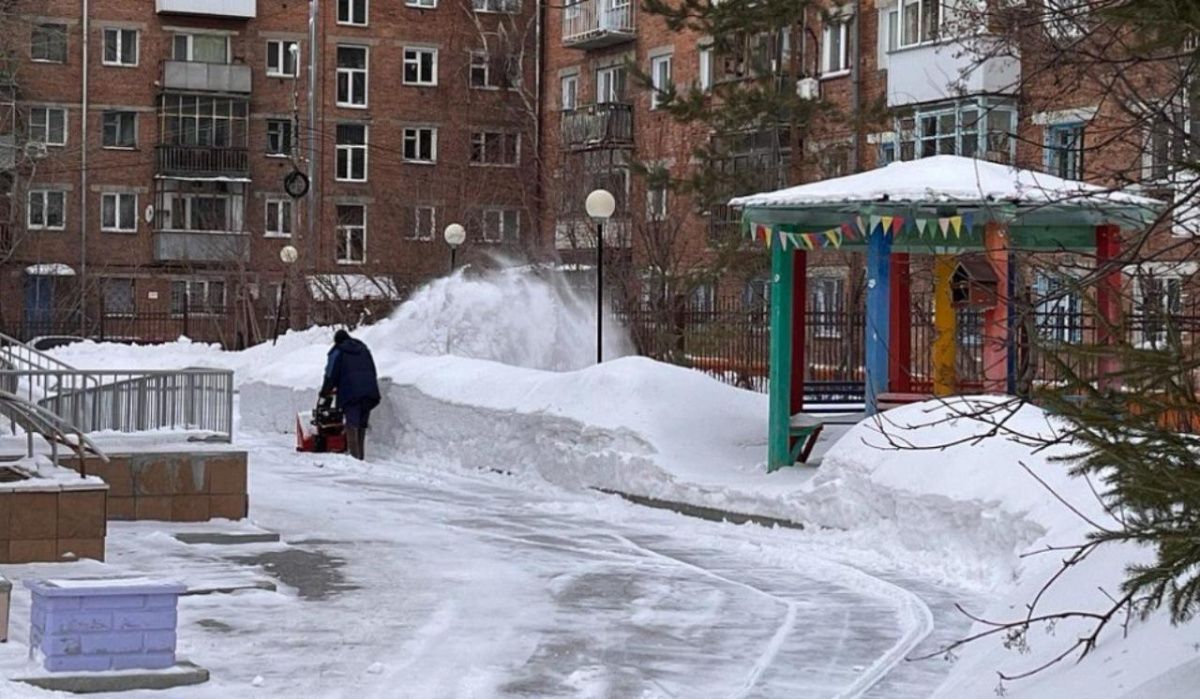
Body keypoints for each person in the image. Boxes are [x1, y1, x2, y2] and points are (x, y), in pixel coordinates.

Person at [320, 329, 381, 460]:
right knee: (362, 423)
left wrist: (324, 392)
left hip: (352, 392)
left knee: (352, 423)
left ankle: (354, 458)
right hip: (370, 391)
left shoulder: (338, 351)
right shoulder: (363, 348)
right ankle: (360, 456)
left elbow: (330, 375)